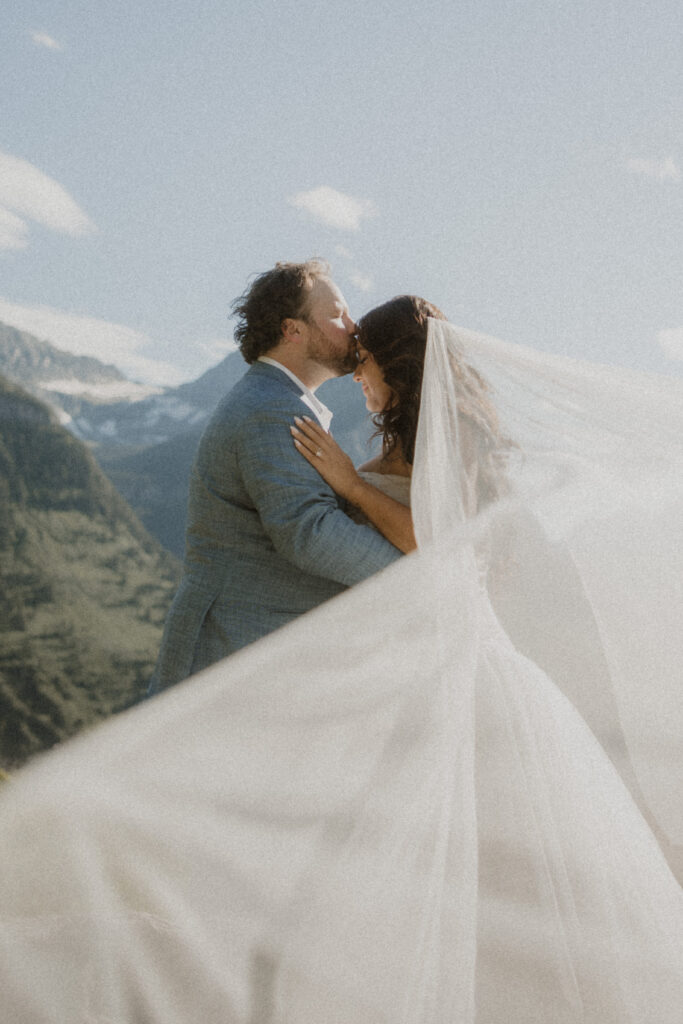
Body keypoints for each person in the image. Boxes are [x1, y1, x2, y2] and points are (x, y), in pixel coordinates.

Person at [1, 302, 682, 1023]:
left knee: (480, 878)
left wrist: (350, 486)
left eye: (366, 365)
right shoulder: (403, 438)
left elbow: (440, 543)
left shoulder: (440, 445)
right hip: (411, 665)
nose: (358, 379)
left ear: (400, 367)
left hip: (463, 673)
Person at [148, 260, 401, 694]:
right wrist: (416, 574)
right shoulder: (272, 407)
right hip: (229, 650)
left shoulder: (276, 399)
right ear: (293, 330)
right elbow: (311, 533)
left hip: (252, 652)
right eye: (337, 314)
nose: (353, 326)